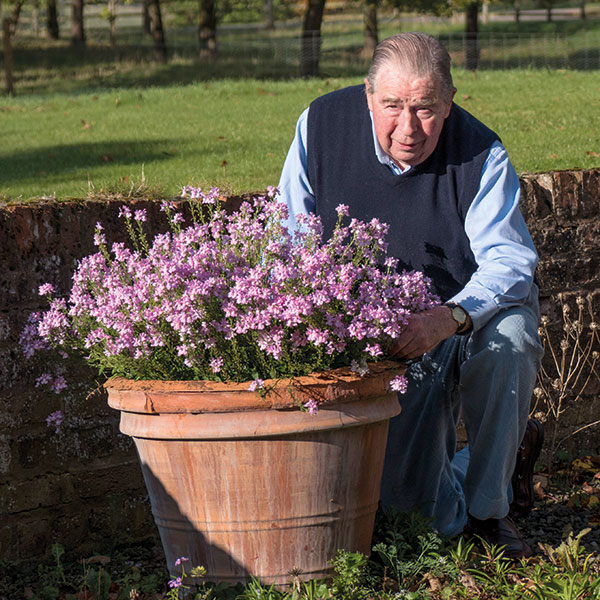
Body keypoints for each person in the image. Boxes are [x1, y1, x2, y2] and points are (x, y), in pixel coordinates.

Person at [278, 32, 544, 558]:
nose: (408, 128)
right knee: (413, 513)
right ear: (368, 96)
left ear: (448, 103)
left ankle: (491, 515)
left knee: (509, 343)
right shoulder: (320, 126)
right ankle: (503, 459)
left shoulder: (480, 152)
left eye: (425, 109)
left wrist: (448, 318)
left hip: (463, 314)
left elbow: (511, 261)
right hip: (375, 328)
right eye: (393, 106)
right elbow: (289, 238)